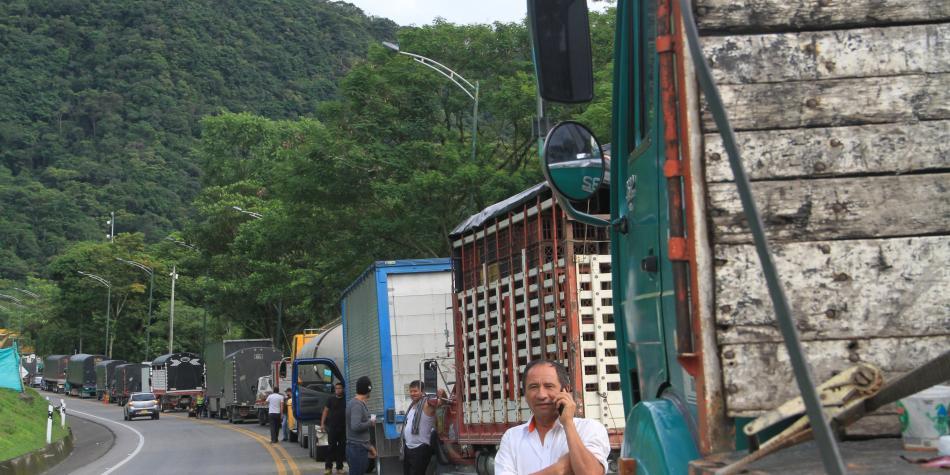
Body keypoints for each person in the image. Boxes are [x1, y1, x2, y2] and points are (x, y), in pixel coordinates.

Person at [494, 359, 610, 475]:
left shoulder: (589, 429)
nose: (541, 395)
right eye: (533, 387)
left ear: (566, 390)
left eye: (549, 386)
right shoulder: (511, 437)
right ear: (525, 393)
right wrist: (559, 469)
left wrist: (568, 424)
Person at [401, 380, 441, 475]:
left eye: (415, 391)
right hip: (408, 448)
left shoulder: (427, 404)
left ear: (422, 392)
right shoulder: (412, 406)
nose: (412, 394)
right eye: (411, 391)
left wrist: (441, 393)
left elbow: (440, 402)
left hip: (420, 449)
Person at [346, 376, 376, 475]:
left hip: (358, 447)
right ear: (369, 389)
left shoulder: (354, 403)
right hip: (357, 449)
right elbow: (355, 426)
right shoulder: (357, 405)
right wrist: (370, 422)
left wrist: (369, 447)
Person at [321, 382, 347, 474]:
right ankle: (328, 468)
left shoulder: (346, 399)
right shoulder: (330, 399)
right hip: (332, 427)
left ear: (343, 389)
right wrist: (322, 424)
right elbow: (325, 411)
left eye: (339, 388)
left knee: (341, 448)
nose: (338, 390)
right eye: (336, 388)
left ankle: (339, 468)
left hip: (343, 428)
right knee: (331, 447)